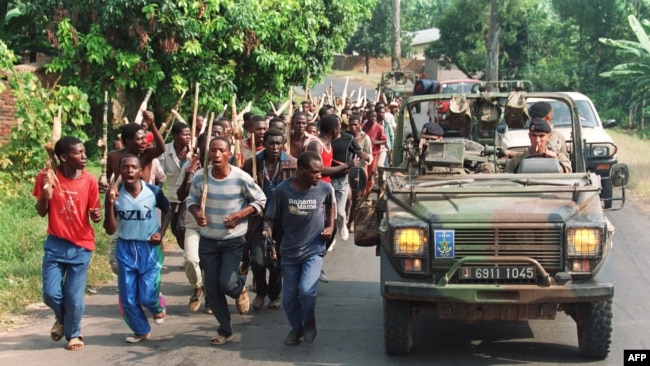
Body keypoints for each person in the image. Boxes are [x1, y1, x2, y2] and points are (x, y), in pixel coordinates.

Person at [187, 136, 266, 345]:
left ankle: (240, 289)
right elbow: (191, 201)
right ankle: (225, 329)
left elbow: (261, 200)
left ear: (229, 153)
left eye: (221, 150)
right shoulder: (200, 178)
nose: (216, 154)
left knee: (227, 283)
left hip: (233, 240)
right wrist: (197, 213)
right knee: (212, 291)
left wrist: (240, 215)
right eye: (213, 150)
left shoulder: (240, 177)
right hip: (208, 240)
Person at [33, 136, 102, 351]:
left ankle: (74, 333)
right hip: (55, 244)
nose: (84, 156)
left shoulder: (90, 180)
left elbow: (94, 213)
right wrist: (45, 195)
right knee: (51, 294)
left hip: (81, 246)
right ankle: (63, 319)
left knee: (74, 297)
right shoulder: (47, 176)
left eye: (84, 152)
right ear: (63, 157)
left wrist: (97, 215)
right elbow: (42, 211)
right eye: (78, 153)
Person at [263, 151, 335, 346]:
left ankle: (309, 319)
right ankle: (296, 329)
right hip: (289, 252)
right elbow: (269, 217)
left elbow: (331, 206)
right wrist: (268, 237)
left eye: (320, 172)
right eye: (314, 172)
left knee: (307, 291)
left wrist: (330, 226)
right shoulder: (282, 191)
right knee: (289, 298)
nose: (319, 176)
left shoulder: (325, 188)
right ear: (301, 169)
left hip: (313, 250)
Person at [103, 154, 171, 344]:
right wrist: (109, 205)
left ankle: (157, 306)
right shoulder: (115, 196)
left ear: (141, 171)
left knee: (147, 295)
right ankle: (141, 330)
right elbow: (110, 229)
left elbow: (168, 210)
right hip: (126, 247)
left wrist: (161, 232)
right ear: (120, 171)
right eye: (125, 167)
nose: (129, 171)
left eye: (134, 167)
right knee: (128, 296)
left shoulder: (153, 191)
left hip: (150, 247)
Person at [243, 128, 297, 310]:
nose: (274, 147)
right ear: (263, 144)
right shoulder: (253, 163)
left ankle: (275, 295)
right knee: (257, 259)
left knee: (277, 260)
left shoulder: (292, 164)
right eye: (271, 143)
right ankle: (261, 292)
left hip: (283, 219)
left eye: (278, 143)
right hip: (258, 218)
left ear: (283, 144)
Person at [104, 115, 165, 274]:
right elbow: (108, 176)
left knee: (149, 252)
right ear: (127, 141)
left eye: (145, 139)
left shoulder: (146, 155)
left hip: (145, 208)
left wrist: (152, 125)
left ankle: (150, 287)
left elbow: (162, 149)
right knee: (116, 258)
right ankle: (128, 284)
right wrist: (107, 184)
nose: (144, 142)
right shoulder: (113, 156)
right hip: (122, 207)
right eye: (139, 139)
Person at [176, 133, 211, 313]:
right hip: (192, 222)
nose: (210, 151)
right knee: (191, 259)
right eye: (206, 147)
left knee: (211, 265)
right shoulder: (190, 167)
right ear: (199, 148)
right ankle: (198, 287)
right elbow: (181, 196)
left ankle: (211, 298)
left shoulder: (226, 169)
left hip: (216, 225)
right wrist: (189, 177)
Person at [157, 123, 191, 250]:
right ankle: (188, 250)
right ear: (175, 135)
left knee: (181, 226)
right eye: (185, 134)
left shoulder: (193, 151)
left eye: (189, 134)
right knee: (175, 227)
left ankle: (190, 253)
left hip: (189, 195)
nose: (188, 137)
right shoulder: (165, 151)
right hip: (173, 195)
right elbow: (159, 174)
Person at [504, 118, 572, 173]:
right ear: (529, 136)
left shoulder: (559, 157)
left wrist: (554, 162)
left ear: (548, 137)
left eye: (541, 136)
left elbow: (567, 171)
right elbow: (506, 180)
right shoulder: (518, 159)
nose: (537, 140)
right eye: (534, 136)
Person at [346, 114, 373, 232]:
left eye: (355, 125)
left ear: (359, 125)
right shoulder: (345, 136)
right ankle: (344, 219)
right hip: (345, 171)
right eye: (351, 124)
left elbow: (369, 155)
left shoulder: (365, 138)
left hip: (359, 172)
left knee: (357, 199)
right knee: (347, 198)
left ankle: (351, 222)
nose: (353, 127)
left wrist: (366, 156)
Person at [361, 110, 387, 193]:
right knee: (362, 173)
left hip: (373, 154)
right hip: (363, 153)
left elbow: (385, 140)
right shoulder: (363, 126)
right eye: (371, 116)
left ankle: (367, 193)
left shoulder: (379, 128)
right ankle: (362, 192)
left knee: (370, 174)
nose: (373, 118)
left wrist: (375, 142)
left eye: (375, 117)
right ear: (367, 117)